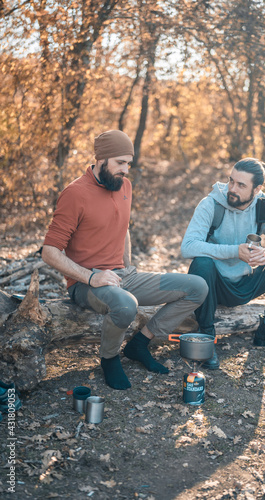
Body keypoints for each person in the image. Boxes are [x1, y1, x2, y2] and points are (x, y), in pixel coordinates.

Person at [42, 130, 208, 390]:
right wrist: (91, 277)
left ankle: (140, 344)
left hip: (122, 275)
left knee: (197, 287)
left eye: (128, 163)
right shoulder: (74, 194)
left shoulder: (123, 186)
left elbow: (123, 227)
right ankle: (109, 359)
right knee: (125, 305)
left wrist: (127, 265)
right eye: (121, 162)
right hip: (87, 284)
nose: (126, 170)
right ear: (102, 159)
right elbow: (49, 251)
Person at [181, 157, 265, 370]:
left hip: (246, 283)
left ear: (257, 189)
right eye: (231, 181)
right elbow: (188, 247)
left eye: (241, 185)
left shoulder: (264, 205)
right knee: (201, 263)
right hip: (213, 286)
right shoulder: (210, 204)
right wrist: (234, 251)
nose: (232, 189)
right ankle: (206, 335)